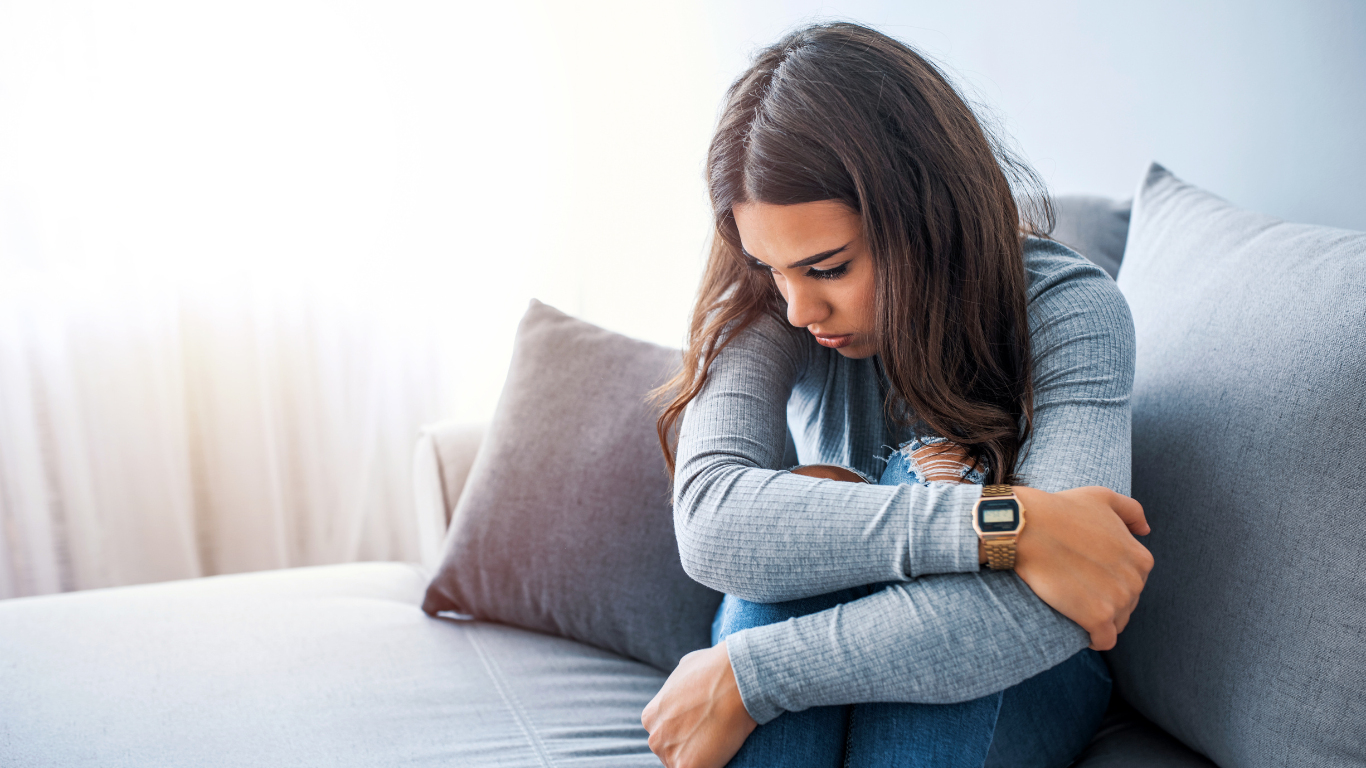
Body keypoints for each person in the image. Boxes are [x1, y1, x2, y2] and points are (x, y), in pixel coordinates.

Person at [638, 21, 1154, 768]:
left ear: (927, 218)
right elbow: (713, 518)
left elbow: (1062, 604)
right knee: (778, 563)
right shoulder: (771, 295)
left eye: (828, 268)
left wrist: (754, 675)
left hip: (1006, 669)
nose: (797, 311)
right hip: (840, 620)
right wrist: (1003, 527)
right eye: (771, 269)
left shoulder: (1071, 310)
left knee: (914, 471)